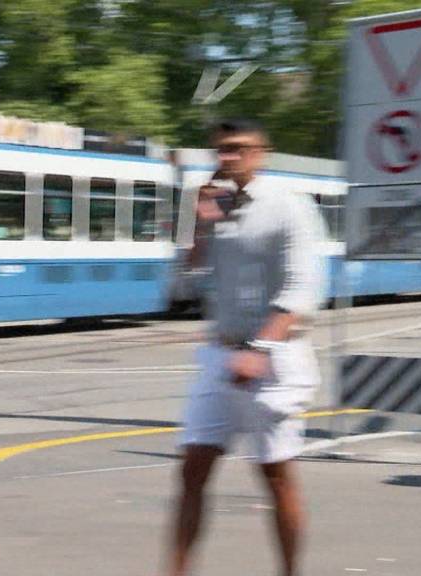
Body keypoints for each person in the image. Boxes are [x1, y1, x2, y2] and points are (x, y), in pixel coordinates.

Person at [165, 119, 326, 576]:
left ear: (262, 153)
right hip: (218, 353)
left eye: (238, 149)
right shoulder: (215, 211)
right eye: (221, 150)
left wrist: (260, 347)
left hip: (275, 357)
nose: (228, 158)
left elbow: (302, 288)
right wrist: (196, 229)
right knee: (192, 468)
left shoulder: (287, 207)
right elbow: (184, 289)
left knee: (274, 474)